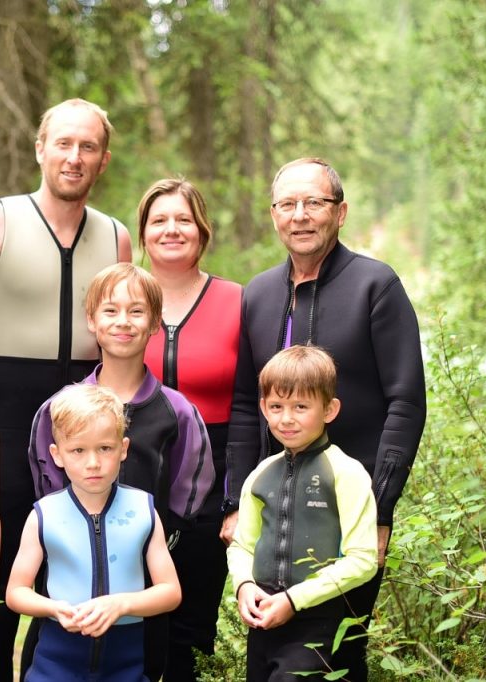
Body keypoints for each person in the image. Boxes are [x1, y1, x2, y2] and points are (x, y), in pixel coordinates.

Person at [0, 97, 132, 679]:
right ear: (40, 149)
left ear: (103, 160)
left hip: (81, 431)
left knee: (76, 581)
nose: (74, 157)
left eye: (88, 147)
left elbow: (120, 339)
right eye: (63, 143)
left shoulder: (118, 239)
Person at [223, 157, 426, 679]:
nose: (301, 215)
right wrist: (234, 505)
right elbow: (247, 403)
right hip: (277, 513)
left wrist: (381, 509)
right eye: (288, 204)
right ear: (273, 216)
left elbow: (406, 401)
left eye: (314, 202)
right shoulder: (259, 293)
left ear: (341, 212)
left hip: (349, 509)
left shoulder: (375, 286)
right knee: (270, 651)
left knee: (334, 655)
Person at [28, 263, 213, 680]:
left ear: (154, 324)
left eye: (136, 311)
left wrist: (153, 540)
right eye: (110, 311)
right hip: (68, 599)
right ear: (92, 320)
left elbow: (191, 487)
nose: (123, 322)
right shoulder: (59, 408)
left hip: (143, 590)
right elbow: (46, 488)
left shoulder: (177, 411)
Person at [138, 178, 242, 679]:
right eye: (159, 220)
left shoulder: (240, 302)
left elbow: (256, 406)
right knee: (134, 617)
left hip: (214, 475)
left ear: (202, 230)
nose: (171, 229)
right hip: (134, 469)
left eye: (183, 219)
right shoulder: (123, 297)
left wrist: (238, 497)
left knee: (187, 629)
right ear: (143, 233)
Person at [7, 383, 182, 682]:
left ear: (123, 448)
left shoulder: (143, 511)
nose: (93, 462)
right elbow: (15, 593)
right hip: (55, 665)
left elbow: (171, 592)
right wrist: (54, 609)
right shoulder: (43, 515)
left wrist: (121, 604)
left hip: (124, 668)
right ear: (57, 454)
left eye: (105, 448)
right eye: (78, 450)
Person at [228, 345, 378, 680]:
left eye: (301, 406)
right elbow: (242, 545)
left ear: (329, 409)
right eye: (276, 406)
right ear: (264, 408)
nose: (286, 418)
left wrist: (294, 600)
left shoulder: (346, 473)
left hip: (317, 620)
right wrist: (244, 586)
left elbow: (363, 559)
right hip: (262, 617)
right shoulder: (260, 474)